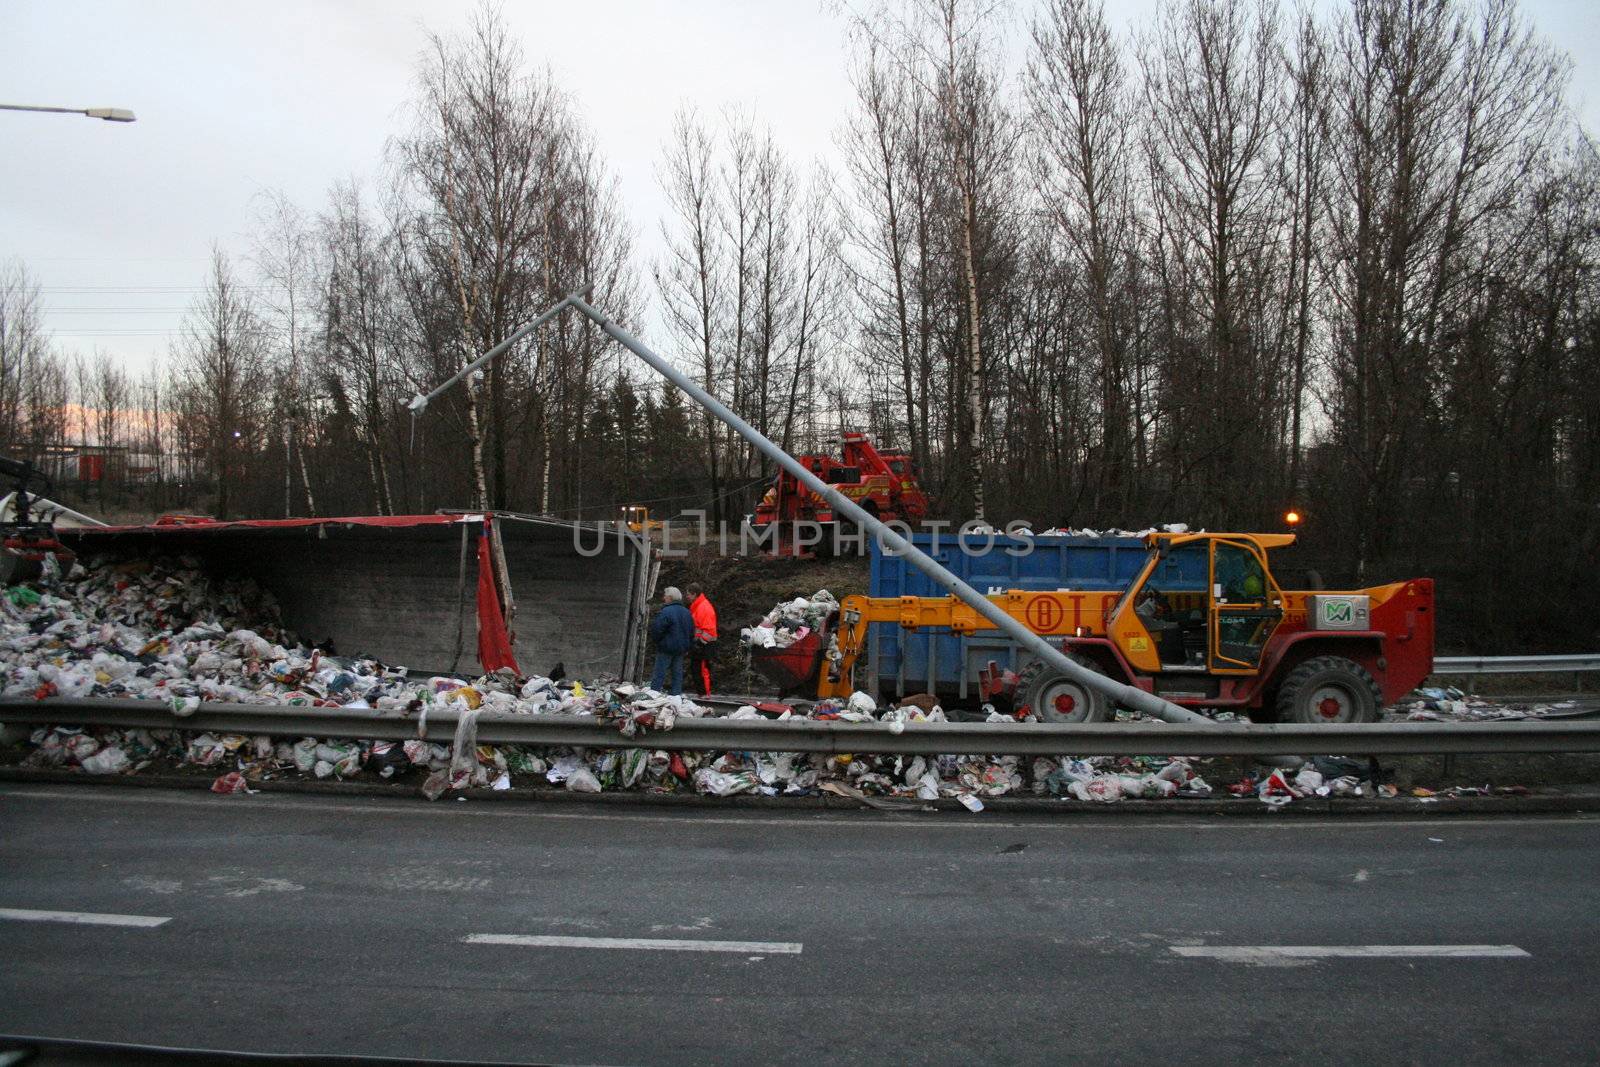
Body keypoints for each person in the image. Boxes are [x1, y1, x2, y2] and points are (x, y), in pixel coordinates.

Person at [649, 586, 695, 696]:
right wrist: (688, 646)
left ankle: (654, 696)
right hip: (681, 649)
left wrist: (658, 642)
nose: (664, 598)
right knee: (677, 675)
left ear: (670, 597)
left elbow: (657, 629)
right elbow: (691, 631)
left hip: (666, 647)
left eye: (665, 596)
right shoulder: (687, 612)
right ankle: (676, 697)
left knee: (659, 674)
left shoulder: (666, 611)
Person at [685, 582, 718, 698]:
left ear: (694, 594)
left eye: (688, 594)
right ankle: (702, 694)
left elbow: (709, 630)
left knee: (702, 671)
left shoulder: (703, 607)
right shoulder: (699, 606)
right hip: (701, 645)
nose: (687, 596)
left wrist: (699, 643)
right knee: (697, 671)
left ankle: (705, 695)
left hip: (704, 646)